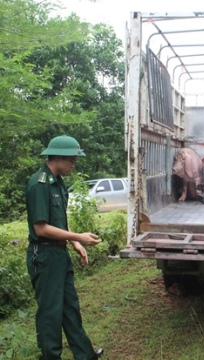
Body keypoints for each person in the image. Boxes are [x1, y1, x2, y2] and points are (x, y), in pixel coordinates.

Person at [26, 135, 104, 360]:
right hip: (45, 254)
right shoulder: (39, 184)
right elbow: (41, 228)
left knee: (70, 306)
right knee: (51, 311)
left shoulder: (58, 183)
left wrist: (75, 242)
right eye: (71, 159)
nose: (74, 164)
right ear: (58, 157)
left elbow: (59, 220)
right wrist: (77, 235)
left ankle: (85, 355)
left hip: (59, 253)